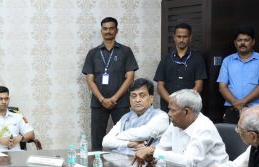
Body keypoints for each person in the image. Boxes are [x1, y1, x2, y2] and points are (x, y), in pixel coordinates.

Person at [134, 89, 229, 167]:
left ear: (186, 112)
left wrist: (153, 152)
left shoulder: (205, 128)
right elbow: (161, 149)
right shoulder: (176, 123)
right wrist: (149, 156)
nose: (169, 114)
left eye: (172, 110)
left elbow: (189, 162)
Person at [82, 17, 139, 150]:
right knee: (97, 139)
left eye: (111, 28)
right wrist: (102, 99)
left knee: (124, 138)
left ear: (116, 30)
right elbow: (89, 79)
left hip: (121, 102)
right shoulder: (93, 53)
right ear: (101, 31)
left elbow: (130, 78)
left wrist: (114, 98)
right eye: (105, 28)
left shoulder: (126, 51)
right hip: (98, 103)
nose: (108, 31)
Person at [217, 25, 259, 124]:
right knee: (231, 138)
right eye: (239, 40)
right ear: (235, 43)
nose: (242, 43)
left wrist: (243, 102)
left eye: (246, 40)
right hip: (232, 108)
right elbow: (222, 87)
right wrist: (236, 103)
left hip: (257, 108)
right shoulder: (227, 61)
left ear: (253, 42)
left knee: (255, 138)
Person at [102, 78, 169, 153]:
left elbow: (142, 134)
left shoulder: (161, 116)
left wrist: (115, 137)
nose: (137, 100)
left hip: (147, 162)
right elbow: (105, 142)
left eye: (142, 95)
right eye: (133, 96)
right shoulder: (126, 117)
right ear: (129, 99)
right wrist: (128, 144)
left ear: (151, 98)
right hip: (121, 160)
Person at [153, 22, 207, 112]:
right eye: (179, 36)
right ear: (174, 37)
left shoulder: (198, 59)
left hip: (189, 109)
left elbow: (199, 86)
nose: (181, 40)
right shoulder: (166, 59)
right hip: (168, 108)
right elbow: (160, 87)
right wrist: (172, 103)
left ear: (190, 38)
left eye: (185, 37)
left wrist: (185, 104)